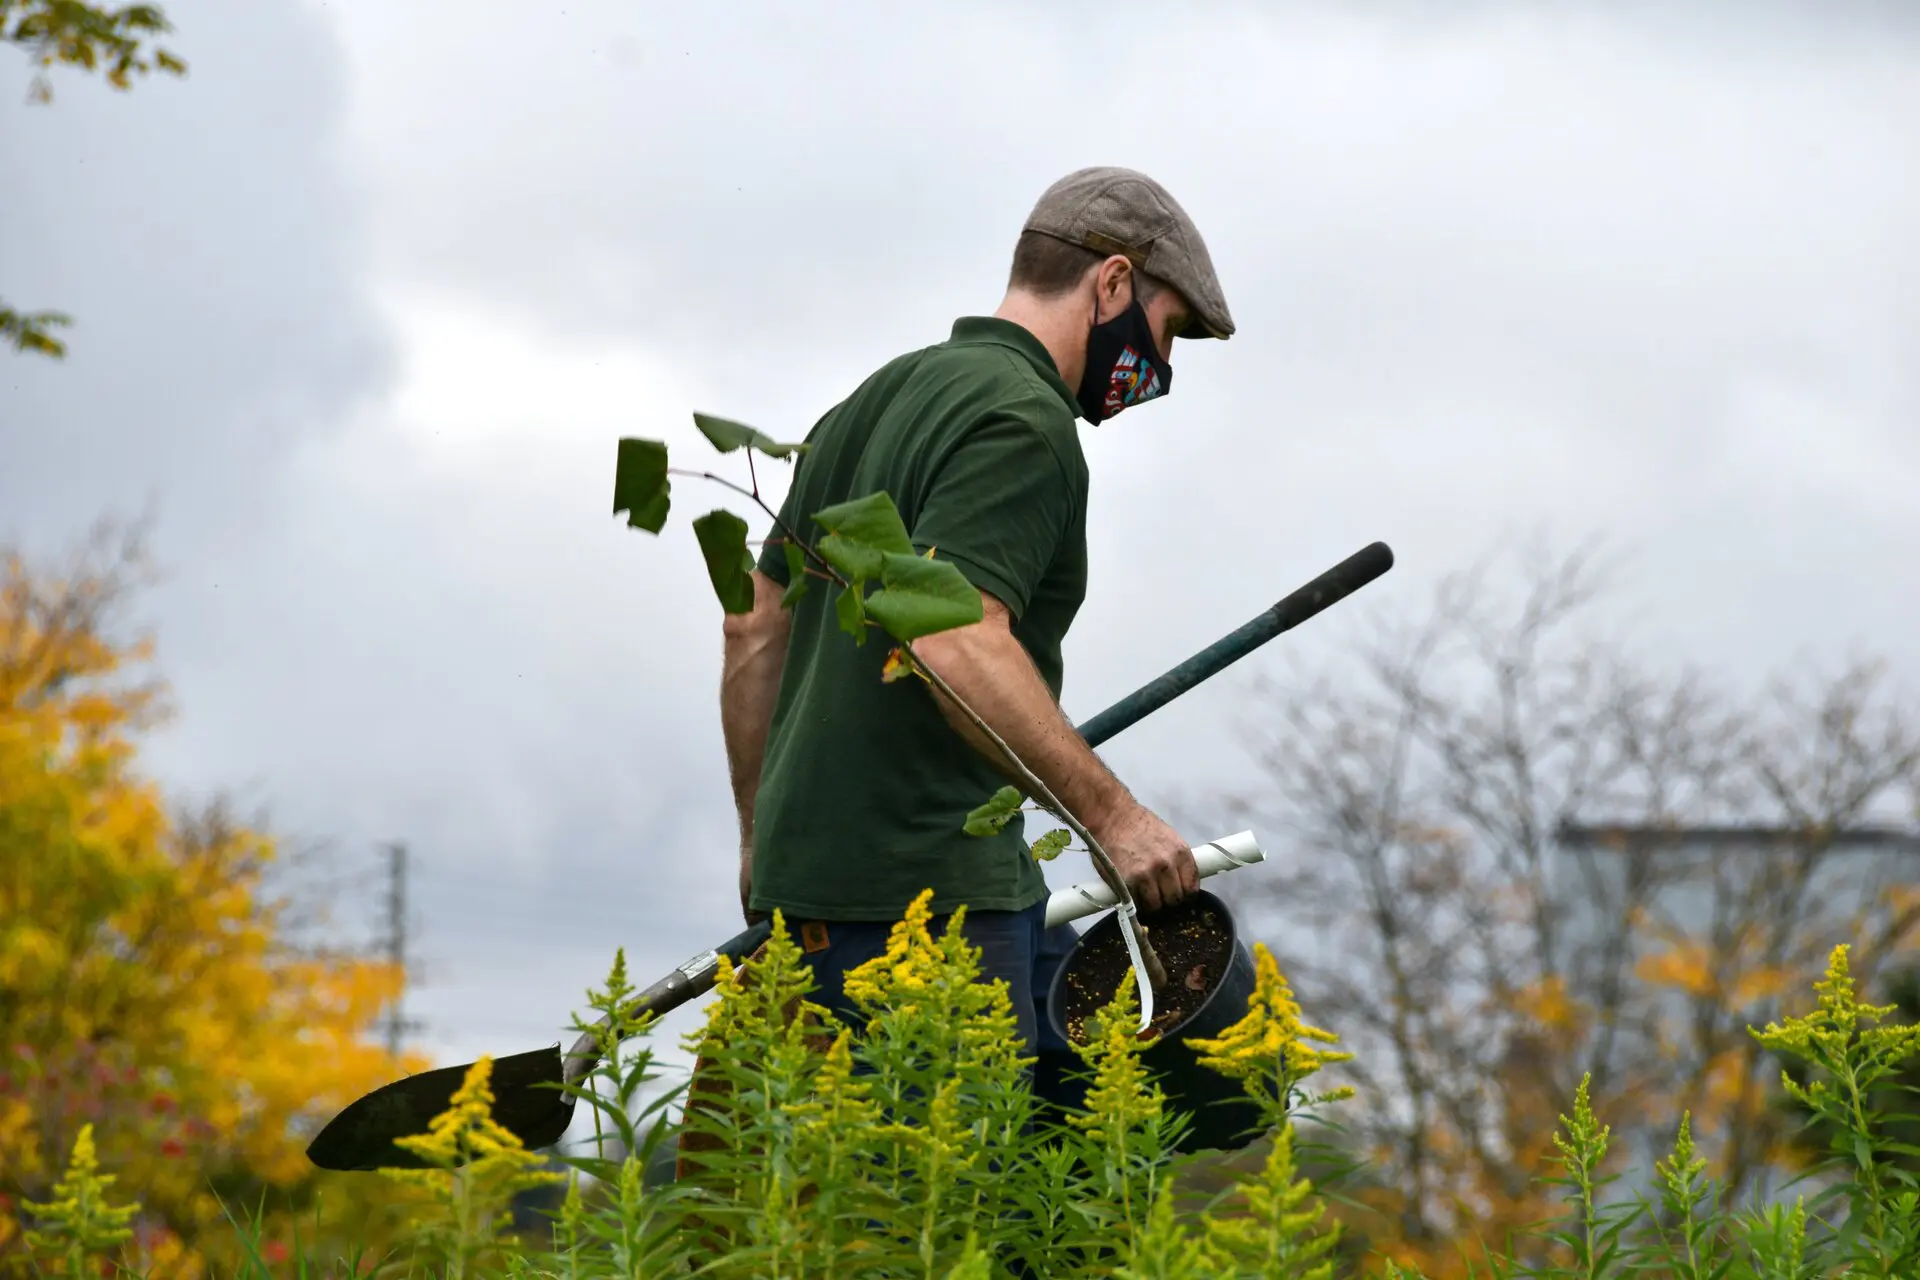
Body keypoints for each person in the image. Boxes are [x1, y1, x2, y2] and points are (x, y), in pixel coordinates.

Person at [718, 166, 1235, 1103]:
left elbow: (756, 626)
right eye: (1168, 333)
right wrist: (1116, 822)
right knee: (945, 1223)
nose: (1160, 369)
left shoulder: (873, 402)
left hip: (816, 910)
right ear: (1112, 285)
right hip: (936, 910)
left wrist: (764, 840)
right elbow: (953, 639)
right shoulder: (1024, 420)